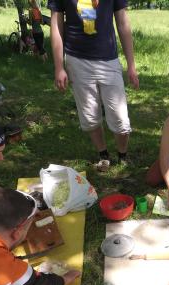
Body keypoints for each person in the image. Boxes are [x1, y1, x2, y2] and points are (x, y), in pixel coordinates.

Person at [49, 0, 139, 169]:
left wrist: (131, 65)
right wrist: (59, 67)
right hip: (77, 60)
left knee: (120, 117)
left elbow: (123, 22)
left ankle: (123, 155)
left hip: (109, 59)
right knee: (89, 116)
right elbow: (56, 26)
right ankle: (103, 154)